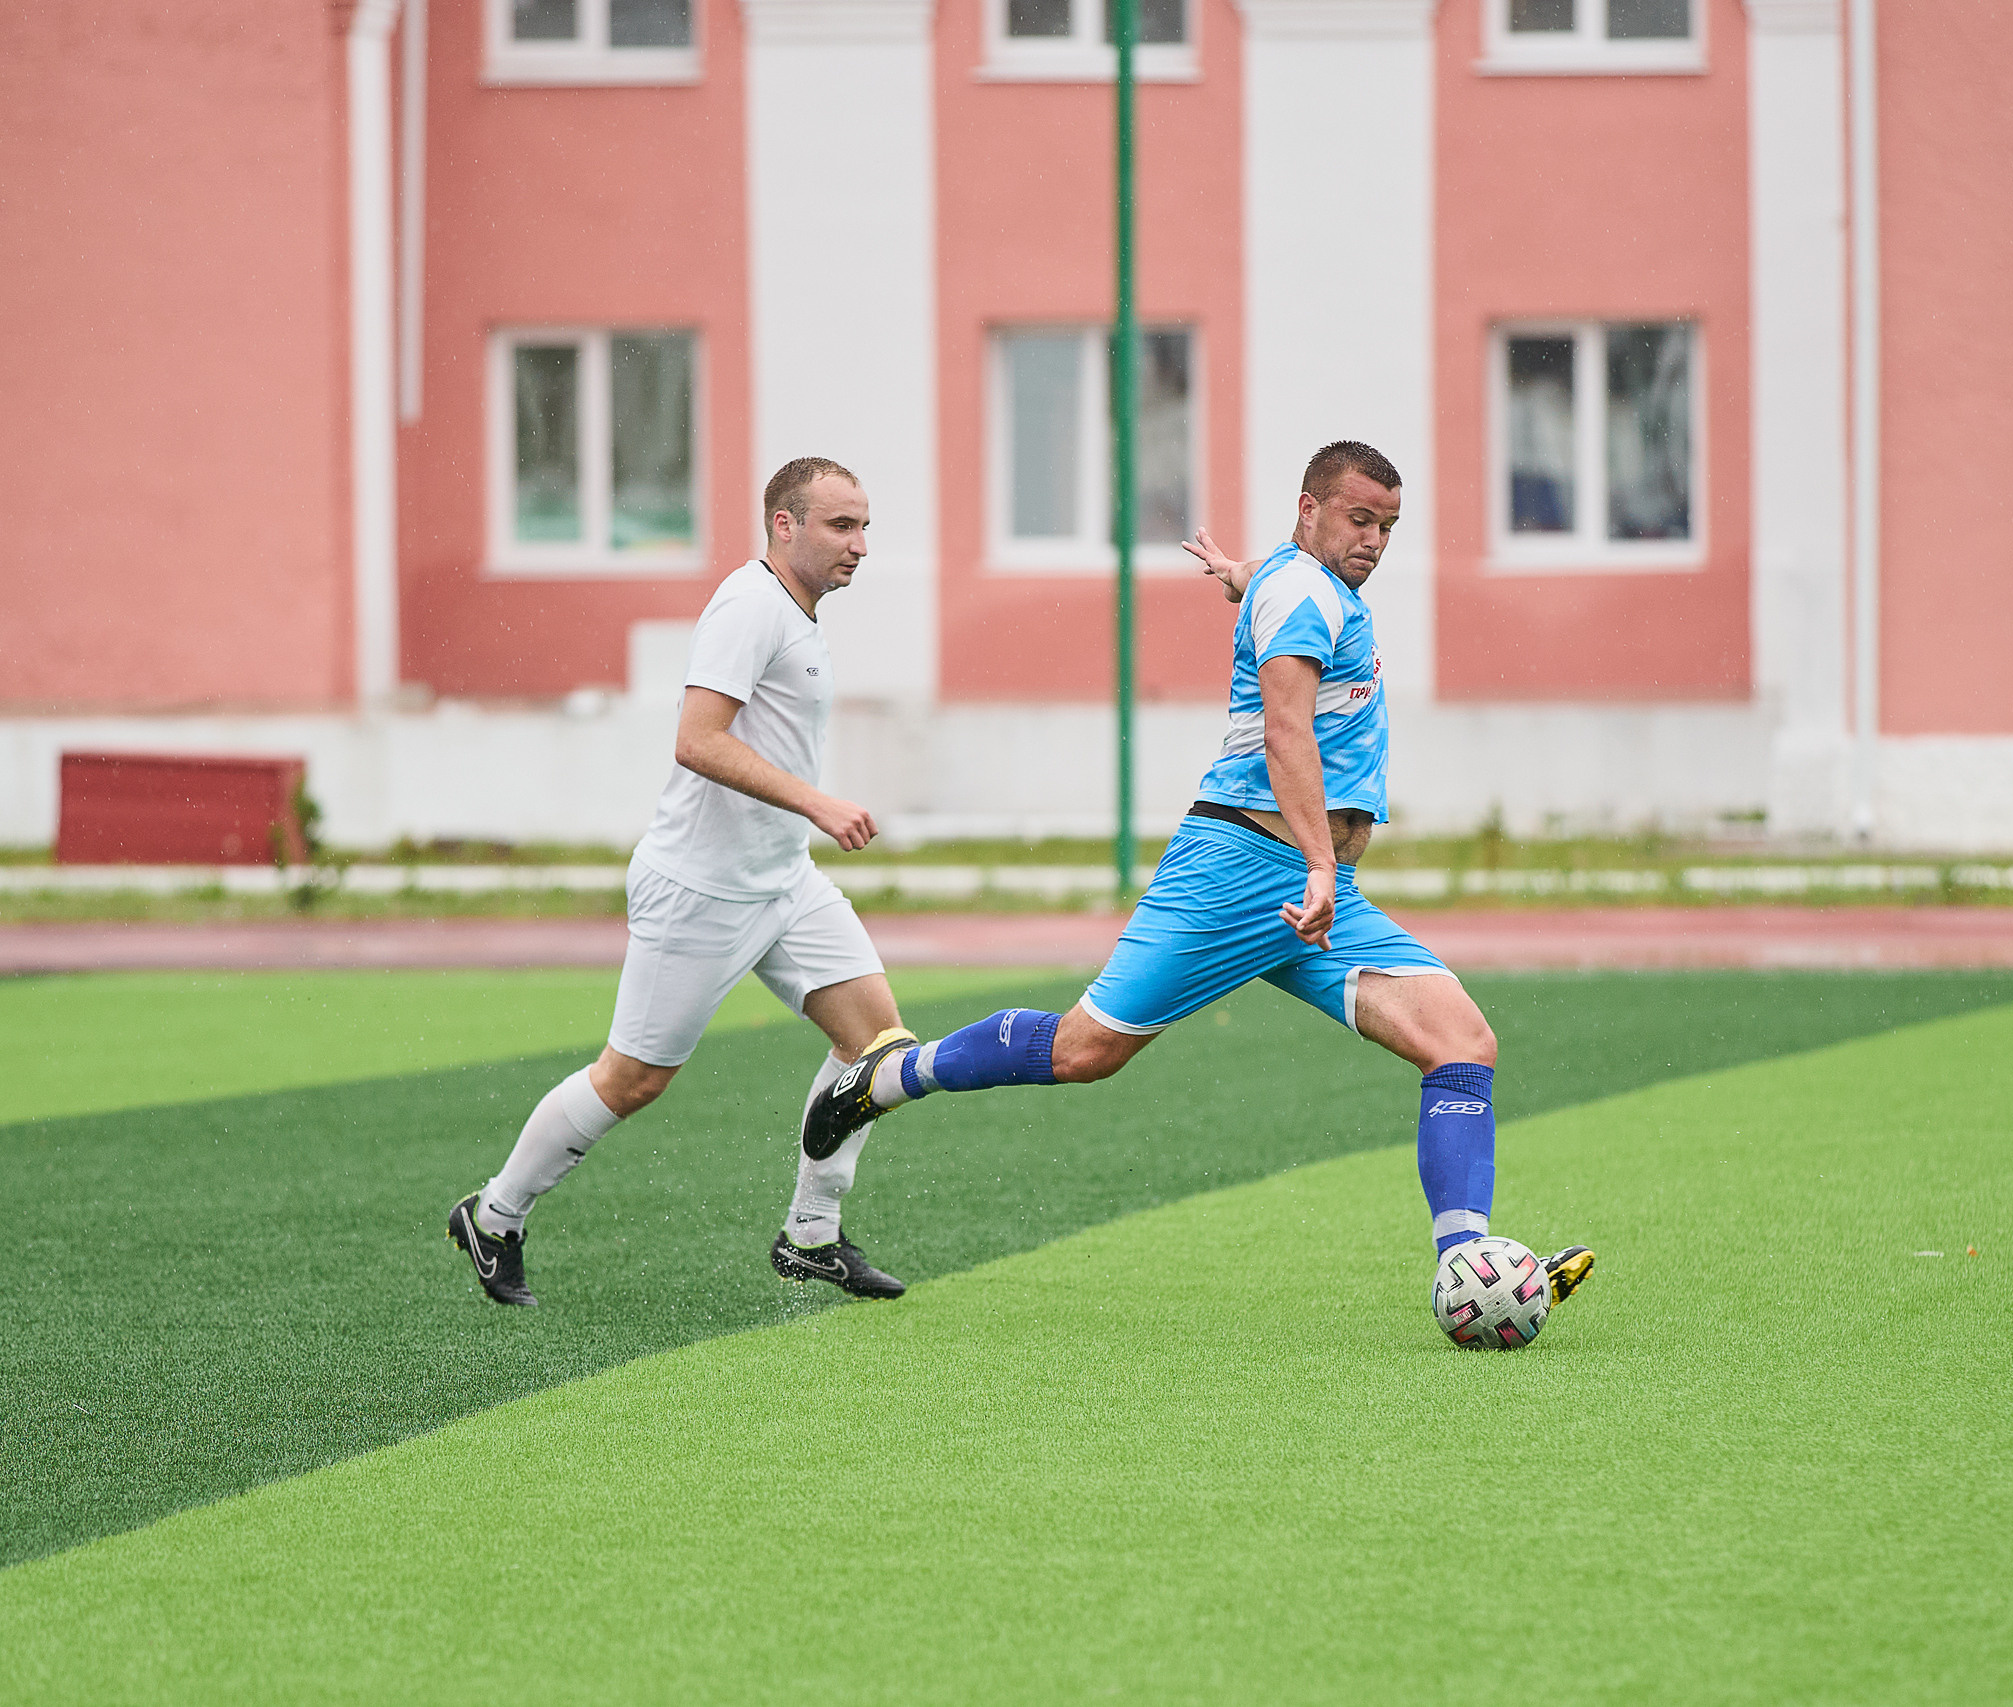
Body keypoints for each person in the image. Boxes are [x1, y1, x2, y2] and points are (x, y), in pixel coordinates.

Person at [800, 440, 1594, 1319]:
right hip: (1238, 873)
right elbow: (1289, 734)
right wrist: (1325, 863)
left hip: (1304, 887)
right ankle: (886, 1079)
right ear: (1310, 509)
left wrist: (1244, 575)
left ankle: (1466, 1267)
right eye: (1359, 519)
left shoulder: (1296, 582)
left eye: (1388, 526)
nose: (1374, 540)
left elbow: (1286, 589)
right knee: (1083, 1051)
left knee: (1462, 1042)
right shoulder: (1298, 589)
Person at [448, 457, 914, 1306]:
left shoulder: (799, 614)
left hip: (783, 882)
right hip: (701, 888)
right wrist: (816, 800)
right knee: (632, 1079)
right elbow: (697, 739)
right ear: (785, 524)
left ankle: (811, 1236)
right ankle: (495, 1213)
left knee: (877, 1046)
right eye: (842, 526)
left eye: (865, 527)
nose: (861, 545)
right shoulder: (748, 605)